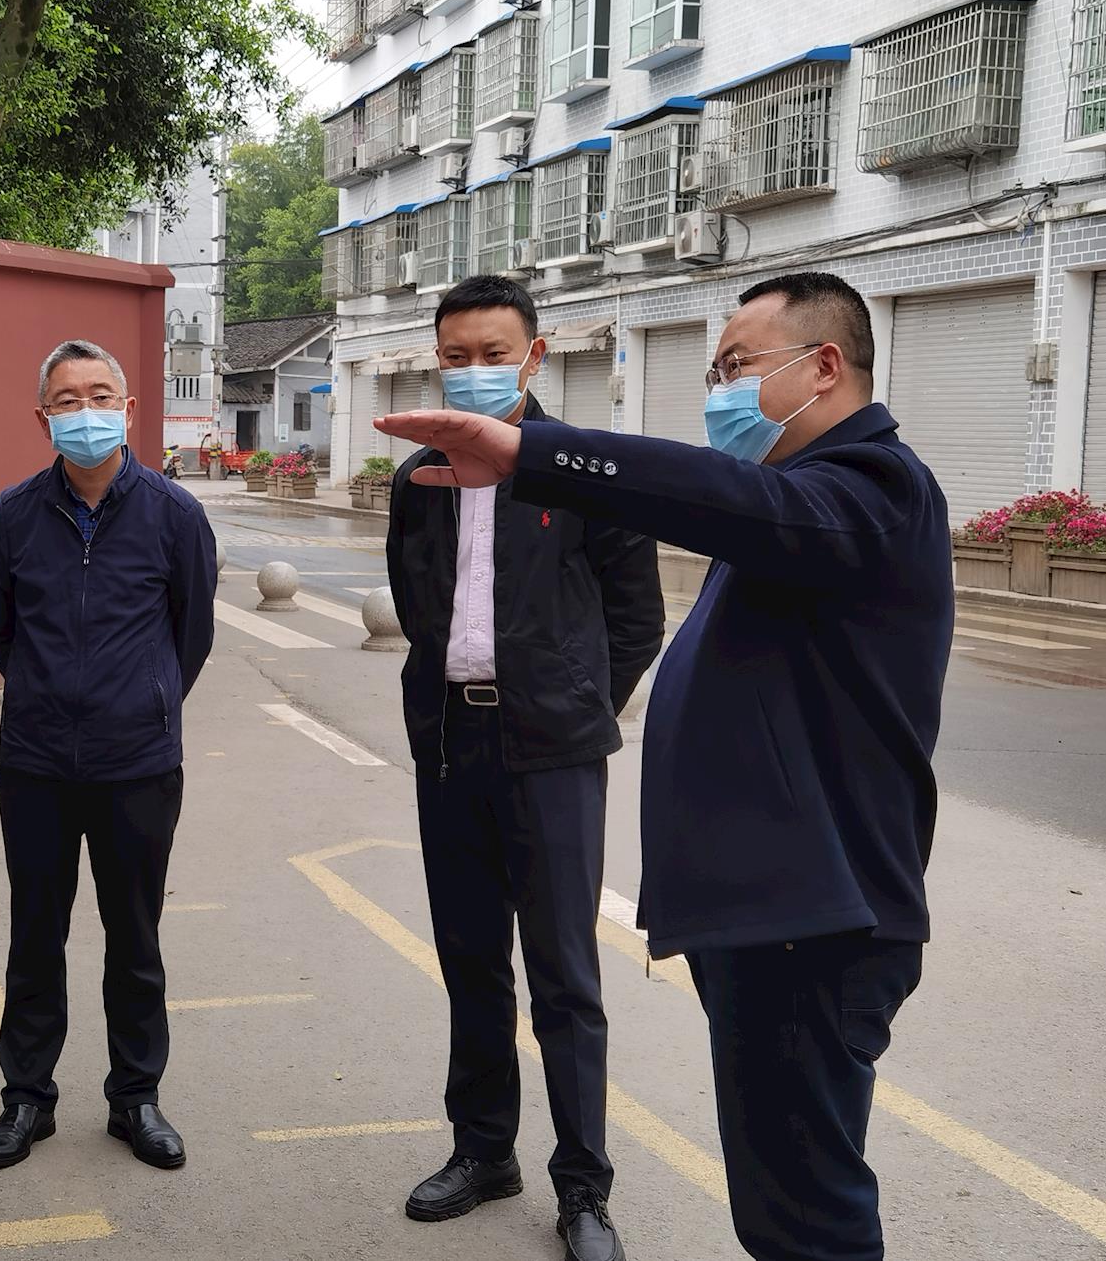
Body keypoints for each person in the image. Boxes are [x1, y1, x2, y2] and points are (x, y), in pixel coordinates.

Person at [375, 272, 952, 1261]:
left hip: (816, 920)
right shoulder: (792, 503)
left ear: (824, 366)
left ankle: (581, 1184)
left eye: (736, 366)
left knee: (808, 1215)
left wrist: (533, 455)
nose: (718, 392)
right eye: (713, 372)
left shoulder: (871, 489)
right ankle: (485, 1146)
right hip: (767, 918)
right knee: (778, 1203)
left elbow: (682, 553)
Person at [385, 277, 664, 1261]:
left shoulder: (582, 470)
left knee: (563, 979)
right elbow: (416, 609)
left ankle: (583, 1187)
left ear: (534, 356)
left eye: (493, 353)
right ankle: (482, 1150)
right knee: (469, 961)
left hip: (553, 756)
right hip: (451, 749)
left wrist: (574, 704)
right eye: (455, 356)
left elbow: (635, 618)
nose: (473, 371)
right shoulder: (418, 478)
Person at [0, 339, 217, 1173]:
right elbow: (0, 628)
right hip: (35, 762)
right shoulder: (13, 513)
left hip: (137, 764)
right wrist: (46, 693)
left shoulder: (173, 513)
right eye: (67, 399)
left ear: (129, 409)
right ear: (43, 417)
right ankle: (26, 1099)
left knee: (134, 938)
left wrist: (142, 699)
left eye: (100, 395)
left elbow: (191, 635)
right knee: (34, 936)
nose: (86, 412)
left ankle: (135, 1098)